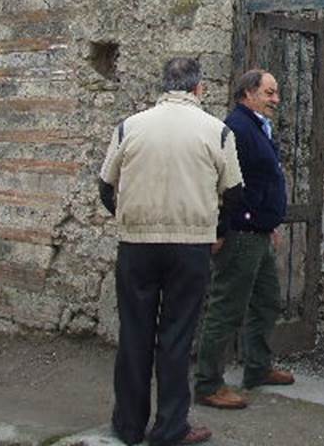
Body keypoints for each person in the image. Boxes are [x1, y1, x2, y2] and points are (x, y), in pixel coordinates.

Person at [98, 57, 242, 446]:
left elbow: (105, 186)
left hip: (136, 245)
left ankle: (128, 426)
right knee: (177, 337)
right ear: (199, 89)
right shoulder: (218, 131)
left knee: (134, 333)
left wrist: (128, 218)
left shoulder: (130, 126)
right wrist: (217, 230)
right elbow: (233, 193)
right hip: (190, 245)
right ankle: (170, 427)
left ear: (163, 86)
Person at [193, 69, 295, 409]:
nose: (275, 99)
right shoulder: (236, 128)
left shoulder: (256, 126)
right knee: (227, 308)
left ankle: (257, 367)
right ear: (248, 93)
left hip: (260, 231)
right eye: (269, 92)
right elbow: (220, 184)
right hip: (241, 233)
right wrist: (220, 230)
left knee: (266, 301)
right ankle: (208, 383)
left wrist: (271, 223)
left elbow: (261, 181)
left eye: (275, 92)